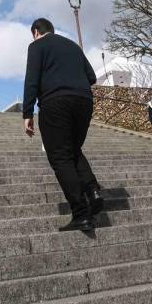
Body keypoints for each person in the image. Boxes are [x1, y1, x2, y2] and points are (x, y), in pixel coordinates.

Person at [22, 17, 103, 232]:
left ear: (36, 32)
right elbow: (92, 77)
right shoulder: (72, 46)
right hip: (84, 101)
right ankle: (93, 190)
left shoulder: (37, 45)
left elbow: (31, 79)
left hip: (56, 102)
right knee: (73, 150)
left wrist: (27, 112)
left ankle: (81, 214)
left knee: (59, 156)